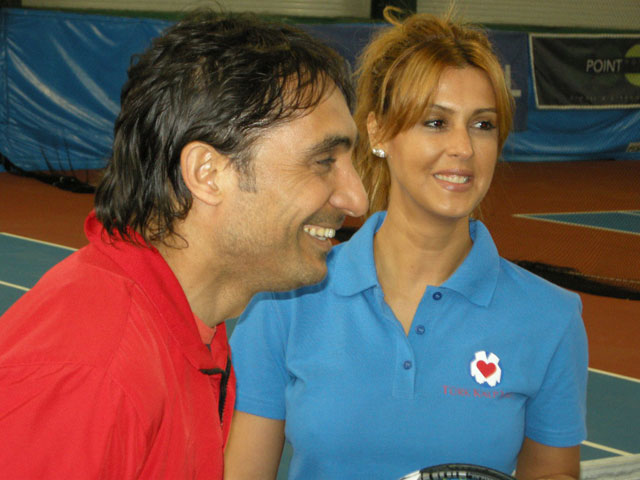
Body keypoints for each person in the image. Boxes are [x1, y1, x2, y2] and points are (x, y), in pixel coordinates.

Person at [0, 10, 367, 479]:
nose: (356, 198)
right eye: (324, 161)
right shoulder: (91, 375)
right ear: (208, 174)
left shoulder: (188, 329)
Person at [226, 7, 588, 480]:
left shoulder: (551, 318)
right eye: (436, 122)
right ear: (378, 131)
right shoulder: (282, 299)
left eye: (482, 124)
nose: (463, 148)